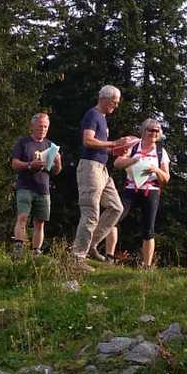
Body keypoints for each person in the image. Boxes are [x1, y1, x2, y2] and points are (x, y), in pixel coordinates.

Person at [72, 85, 135, 266]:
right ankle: (77, 257)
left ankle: (91, 245)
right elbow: (88, 141)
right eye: (114, 102)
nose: (116, 106)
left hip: (102, 169)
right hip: (90, 167)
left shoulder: (103, 118)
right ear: (104, 99)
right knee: (91, 213)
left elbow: (100, 145)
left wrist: (117, 149)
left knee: (116, 207)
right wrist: (114, 143)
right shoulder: (93, 115)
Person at [114, 118, 171, 268]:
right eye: (151, 130)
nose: (154, 133)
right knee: (114, 217)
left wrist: (156, 170)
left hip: (151, 191)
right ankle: (109, 256)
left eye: (157, 131)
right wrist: (133, 160)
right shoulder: (133, 146)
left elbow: (166, 178)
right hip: (131, 188)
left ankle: (147, 266)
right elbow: (117, 163)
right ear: (143, 131)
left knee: (148, 229)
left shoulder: (161, 152)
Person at [9, 112, 62, 253]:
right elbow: (14, 164)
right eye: (40, 126)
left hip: (43, 188)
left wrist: (58, 161)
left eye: (45, 127)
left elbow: (56, 171)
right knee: (22, 217)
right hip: (25, 186)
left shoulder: (50, 145)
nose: (42, 129)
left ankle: (36, 251)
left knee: (40, 221)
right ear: (32, 126)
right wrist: (29, 165)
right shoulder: (23, 142)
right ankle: (19, 248)